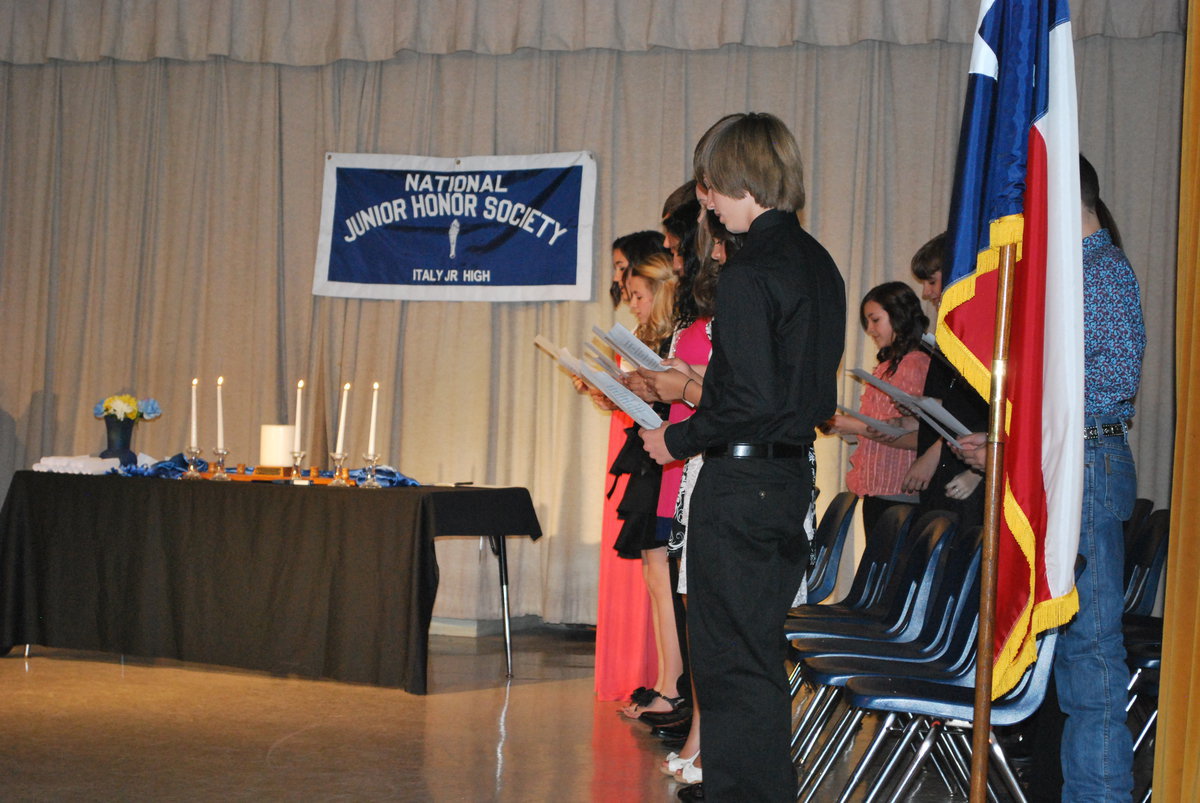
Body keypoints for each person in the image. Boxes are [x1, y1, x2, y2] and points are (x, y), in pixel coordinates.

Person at [643, 112, 845, 801]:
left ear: (741, 179)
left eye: (710, 186)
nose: (705, 201)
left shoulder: (752, 268)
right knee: (754, 659)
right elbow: (807, 394)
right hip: (787, 479)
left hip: (743, 479)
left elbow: (743, 400)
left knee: (729, 664)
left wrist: (674, 438)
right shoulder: (820, 263)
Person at [957, 154, 1143, 800]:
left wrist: (1029, 430)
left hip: (1090, 463)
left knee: (1092, 661)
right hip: (1072, 463)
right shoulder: (1070, 279)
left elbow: (1113, 384)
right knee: (1074, 666)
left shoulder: (1106, 274)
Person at [611, 252, 688, 725]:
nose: (633, 304)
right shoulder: (655, 339)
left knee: (665, 580)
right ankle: (667, 682)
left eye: (639, 295)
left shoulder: (677, 337)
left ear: (662, 291)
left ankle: (674, 687)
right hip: (651, 459)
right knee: (656, 580)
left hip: (667, 463)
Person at [825, 282, 930, 537]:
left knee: (892, 571)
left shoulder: (914, 363)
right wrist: (840, 425)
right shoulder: (887, 364)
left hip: (900, 489)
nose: (870, 329)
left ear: (899, 315)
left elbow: (916, 436)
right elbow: (879, 422)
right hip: (880, 488)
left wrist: (853, 425)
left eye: (875, 320)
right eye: (867, 322)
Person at [903, 233, 988, 530]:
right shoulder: (951, 334)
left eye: (932, 282)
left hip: (966, 466)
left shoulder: (982, 336)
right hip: (949, 464)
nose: (927, 293)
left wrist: (977, 473)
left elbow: (989, 412)